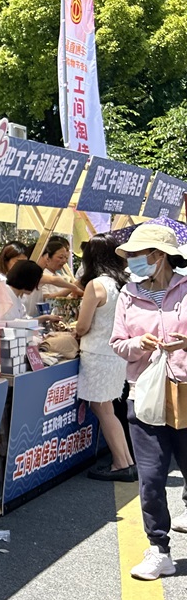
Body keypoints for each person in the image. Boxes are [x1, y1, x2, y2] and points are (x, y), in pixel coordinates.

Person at [110, 223, 187, 580]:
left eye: (138, 254)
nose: (132, 261)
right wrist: (137, 344)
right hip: (144, 393)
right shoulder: (128, 294)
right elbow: (117, 343)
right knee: (152, 478)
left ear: (159, 256)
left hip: (184, 390)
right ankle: (159, 549)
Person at [74, 234, 136, 482]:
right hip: (117, 354)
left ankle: (121, 463)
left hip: (97, 354)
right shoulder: (125, 282)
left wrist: (74, 330)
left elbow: (82, 326)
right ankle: (126, 461)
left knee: (103, 409)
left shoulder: (96, 285)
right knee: (108, 409)